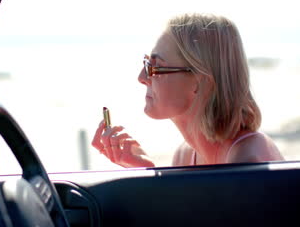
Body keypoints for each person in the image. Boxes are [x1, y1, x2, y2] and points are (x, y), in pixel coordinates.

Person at [92, 13, 284, 168]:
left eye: (155, 66)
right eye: (146, 63)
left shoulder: (247, 157)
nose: (142, 77)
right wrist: (144, 170)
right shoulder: (185, 155)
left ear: (200, 81)